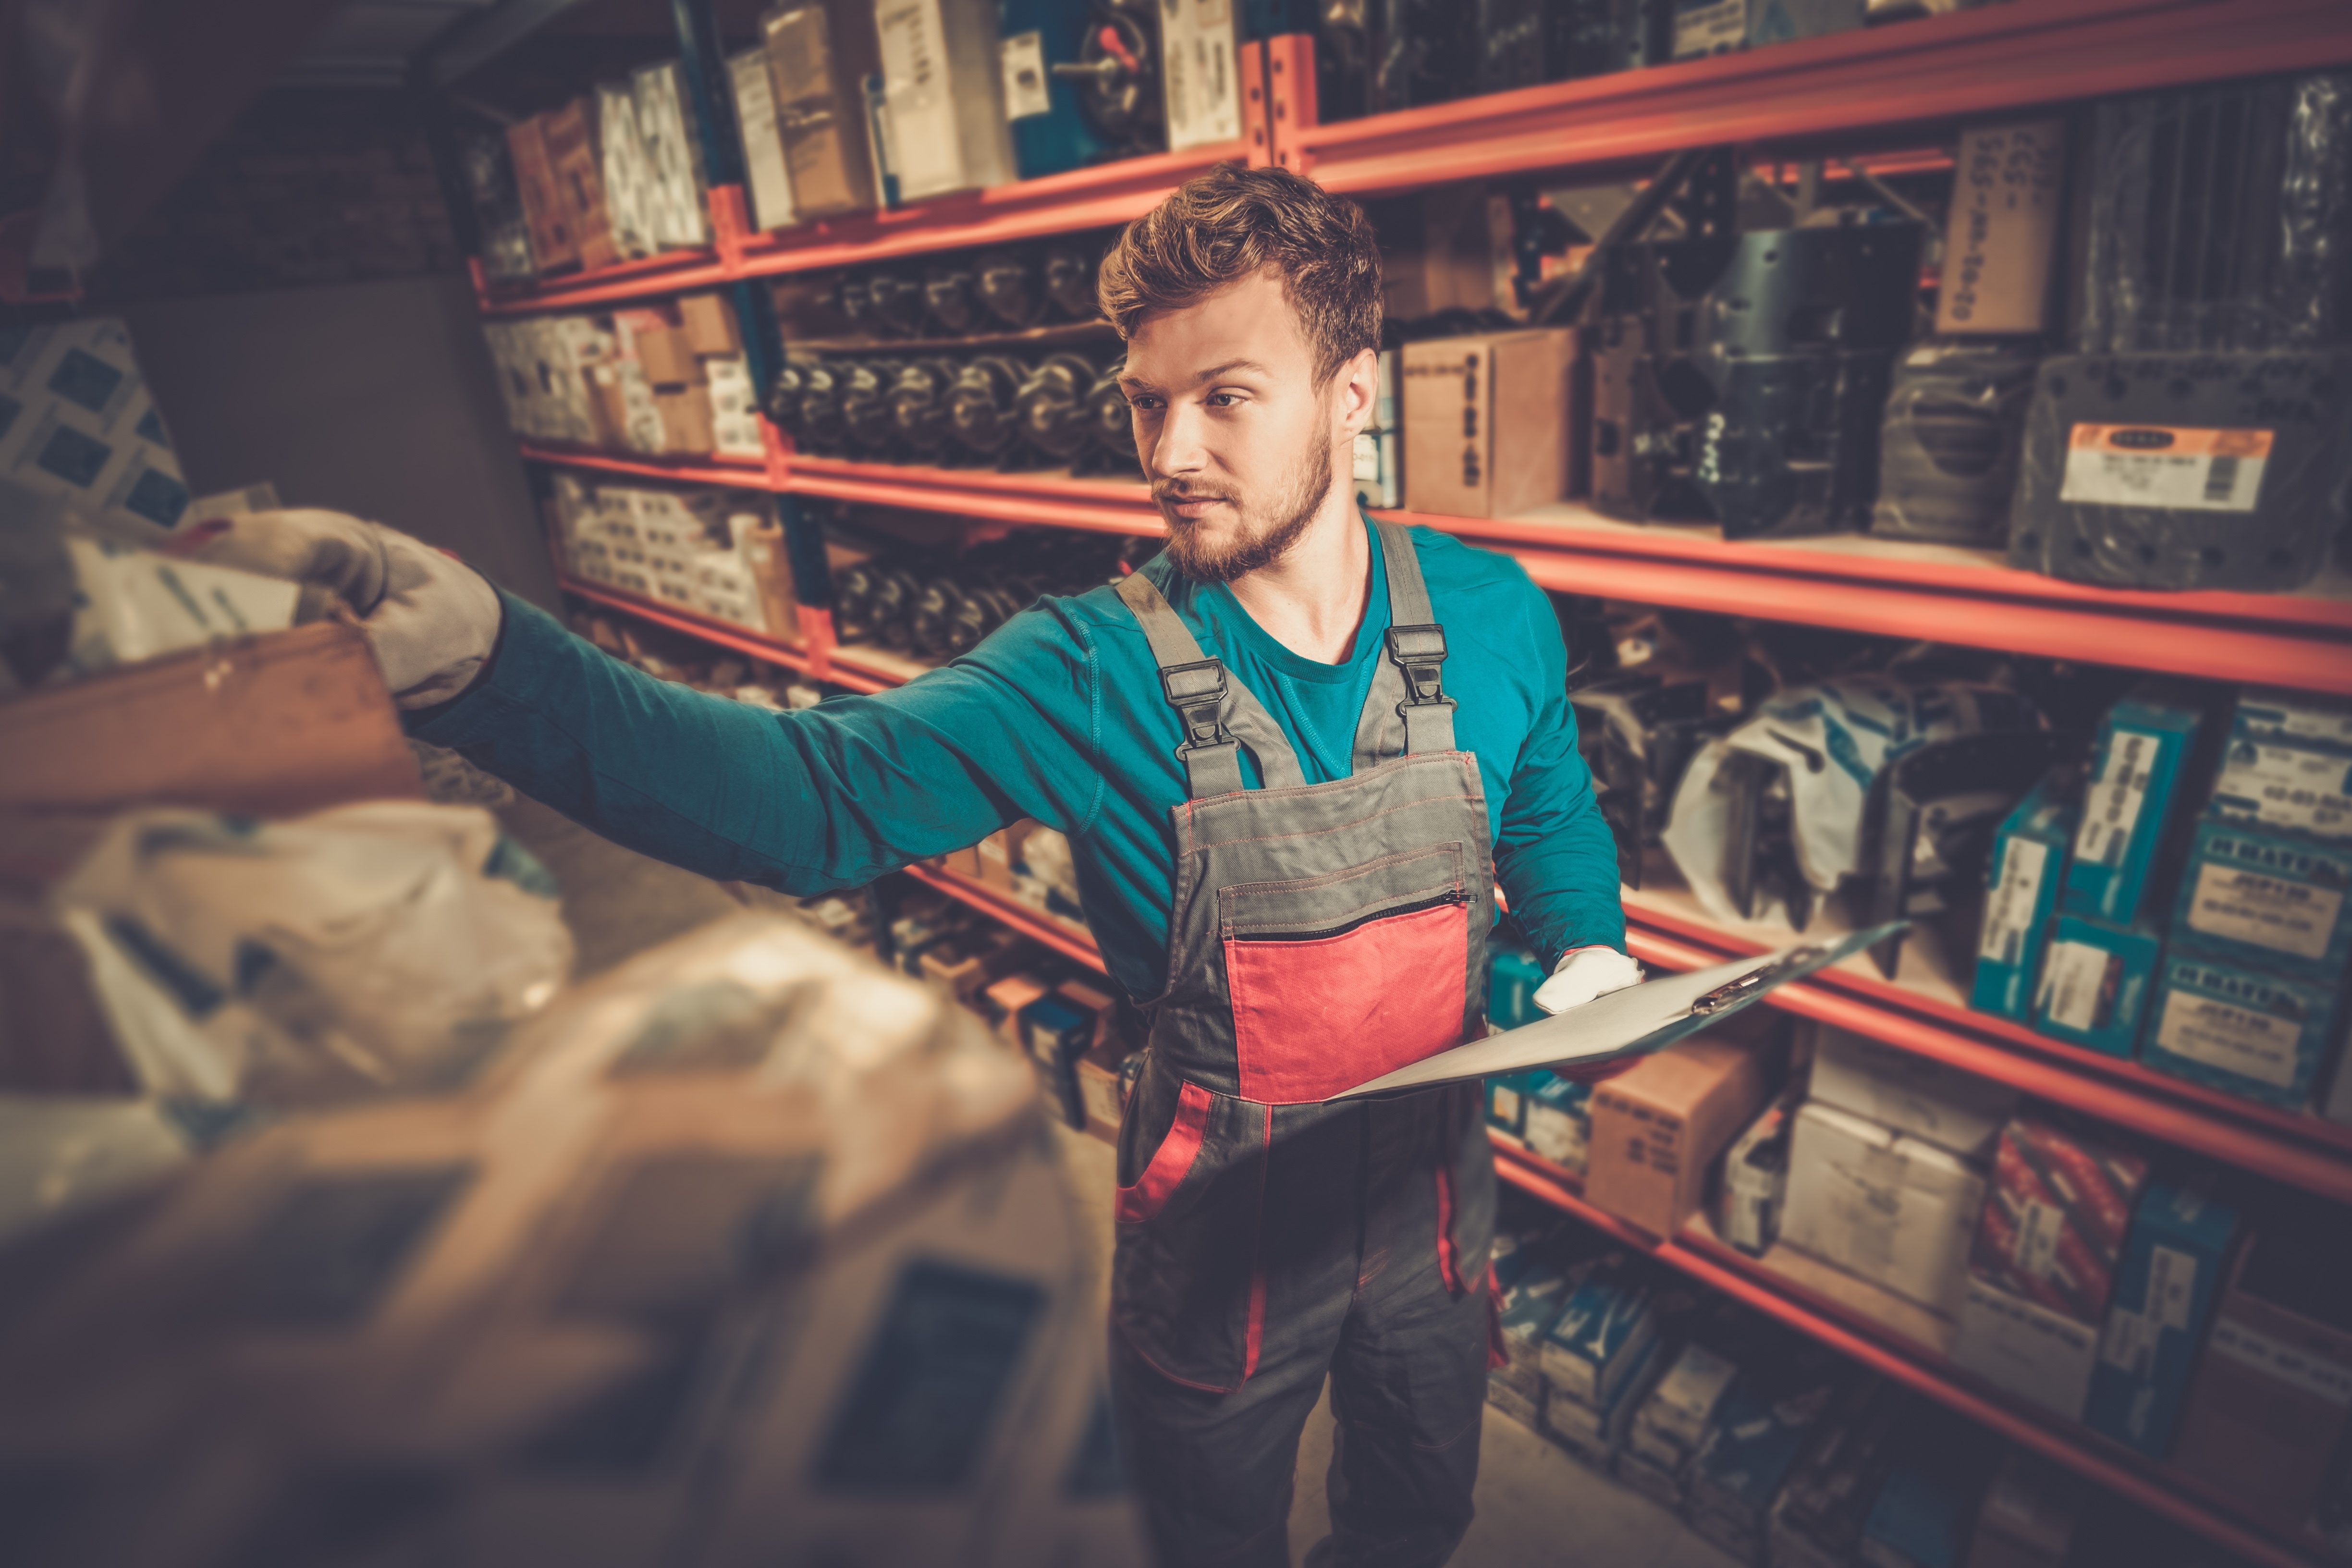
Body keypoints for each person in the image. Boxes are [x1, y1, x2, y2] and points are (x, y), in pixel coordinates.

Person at [190, 164, 1640, 1568]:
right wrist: (483, 655)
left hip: (1433, 1218)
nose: (1168, 453)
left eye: (1225, 400)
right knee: (1205, 1538)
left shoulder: (1496, 613)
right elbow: (799, 799)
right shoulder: (1092, 670)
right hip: (1227, 1245)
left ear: (1352, 395)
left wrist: (1584, 946)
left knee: (1417, 1516)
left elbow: (1552, 814)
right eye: (1146, 403)